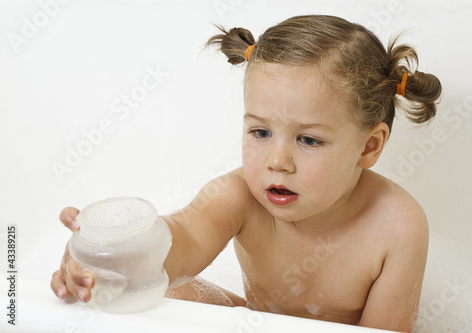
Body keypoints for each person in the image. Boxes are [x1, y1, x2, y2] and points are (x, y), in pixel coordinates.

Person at [50, 15, 441, 332]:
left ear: (369, 146)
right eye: (261, 132)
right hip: (259, 322)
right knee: (163, 290)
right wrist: (110, 259)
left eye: (308, 140)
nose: (277, 161)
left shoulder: (398, 225)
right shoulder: (239, 195)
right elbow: (184, 237)